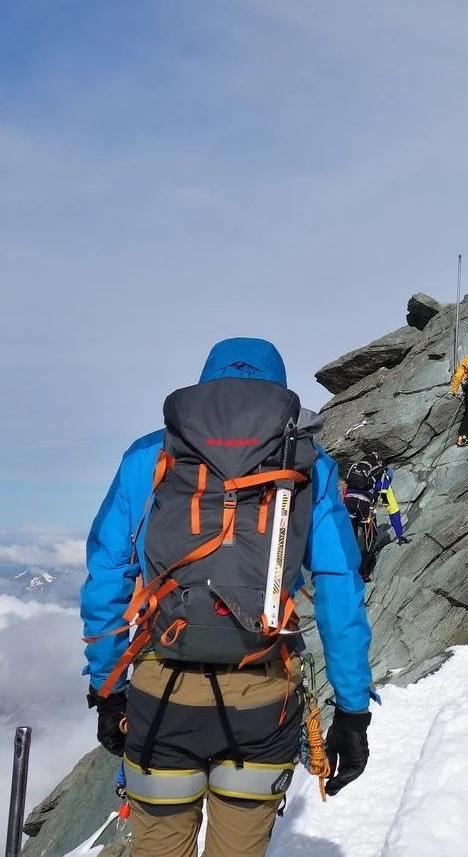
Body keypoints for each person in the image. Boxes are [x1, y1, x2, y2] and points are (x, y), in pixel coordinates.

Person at [81, 338, 374, 857]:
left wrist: (108, 692)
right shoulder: (309, 463)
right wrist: (351, 714)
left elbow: (108, 573)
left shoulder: (151, 454)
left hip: (161, 693)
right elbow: (338, 587)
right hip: (261, 698)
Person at [343, 453, 410, 582]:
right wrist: (399, 533)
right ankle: (362, 573)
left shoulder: (357, 471)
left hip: (348, 503)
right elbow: (392, 508)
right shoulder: (383, 479)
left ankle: (343, 571)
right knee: (371, 537)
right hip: (364, 507)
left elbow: (345, 491)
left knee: (349, 538)